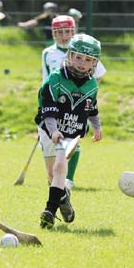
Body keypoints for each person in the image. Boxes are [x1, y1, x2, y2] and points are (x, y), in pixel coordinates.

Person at [35, 33, 103, 229]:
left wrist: (97, 126)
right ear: (70, 56)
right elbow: (48, 110)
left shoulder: (91, 84)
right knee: (52, 174)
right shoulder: (55, 78)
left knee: (59, 168)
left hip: (71, 132)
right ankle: (63, 196)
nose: (82, 63)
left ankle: (49, 211)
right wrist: (54, 131)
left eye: (88, 60)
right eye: (78, 57)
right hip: (49, 129)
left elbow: (92, 107)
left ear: (94, 63)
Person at [41, 15, 107, 190]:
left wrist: (84, 92)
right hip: (56, 103)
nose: (63, 36)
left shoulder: (86, 48)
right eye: (59, 32)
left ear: (73, 31)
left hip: (77, 103)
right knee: (51, 158)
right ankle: (57, 181)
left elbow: (98, 74)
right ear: (53, 33)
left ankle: (68, 179)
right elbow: (45, 79)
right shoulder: (48, 53)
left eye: (67, 31)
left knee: (73, 135)